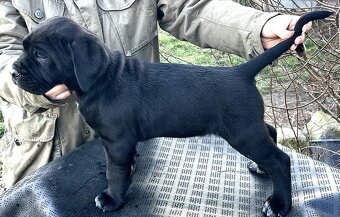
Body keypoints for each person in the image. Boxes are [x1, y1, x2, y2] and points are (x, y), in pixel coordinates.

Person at [0, 0, 312, 189]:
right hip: (48, 150)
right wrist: (36, 90)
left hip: (142, 134)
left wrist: (258, 25)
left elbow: (189, 7)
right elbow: (5, 52)